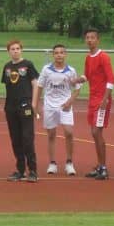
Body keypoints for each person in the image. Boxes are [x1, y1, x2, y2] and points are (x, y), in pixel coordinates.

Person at [32, 43, 79, 176]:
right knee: (51, 134)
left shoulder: (71, 71)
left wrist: (70, 101)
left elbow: (77, 88)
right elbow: (39, 86)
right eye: (56, 53)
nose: (59, 55)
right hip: (49, 106)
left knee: (69, 132)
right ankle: (52, 163)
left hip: (65, 106)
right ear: (53, 55)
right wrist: (35, 104)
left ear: (65, 54)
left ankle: (69, 162)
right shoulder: (46, 70)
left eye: (62, 52)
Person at [2, 40, 40, 181]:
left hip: (25, 105)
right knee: (15, 139)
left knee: (27, 138)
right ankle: (20, 170)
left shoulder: (28, 65)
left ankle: (33, 171)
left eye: (18, 48)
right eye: (12, 49)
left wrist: (34, 103)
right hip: (11, 107)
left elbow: (35, 84)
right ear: (9, 51)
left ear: (21, 50)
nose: (15, 51)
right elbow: (8, 86)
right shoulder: (7, 67)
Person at [80, 29, 114, 180]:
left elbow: (111, 79)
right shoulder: (88, 57)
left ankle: (103, 167)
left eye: (92, 38)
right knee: (94, 133)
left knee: (96, 132)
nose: (90, 40)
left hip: (101, 100)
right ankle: (100, 165)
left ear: (98, 40)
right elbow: (86, 75)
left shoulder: (103, 57)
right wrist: (76, 79)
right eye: (87, 38)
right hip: (92, 99)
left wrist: (105, 99)